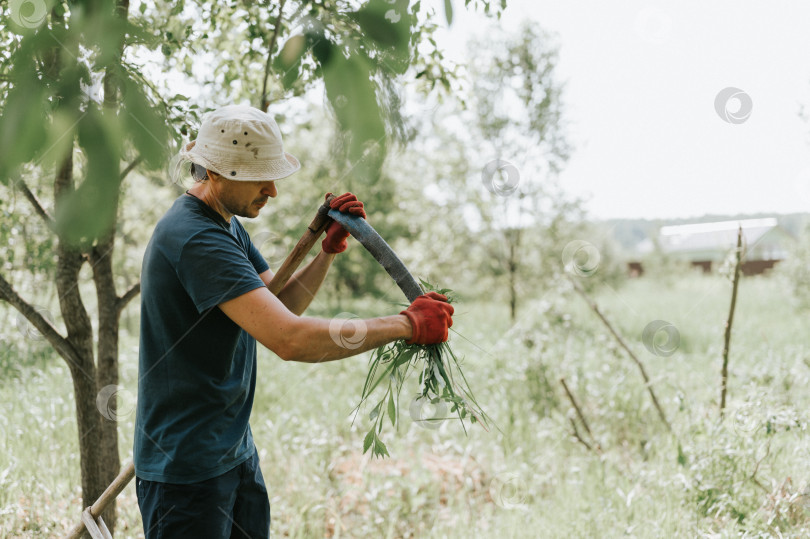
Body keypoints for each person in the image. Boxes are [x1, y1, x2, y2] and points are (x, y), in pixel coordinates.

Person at [133, 104, 454, 538]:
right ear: (214, 172)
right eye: (258, 176)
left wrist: (326, 251)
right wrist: (407, 325)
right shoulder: (195, 238)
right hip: (187, 471)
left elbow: (280, 302)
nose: (272, 190)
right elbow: (290, 339)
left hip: (231, 450)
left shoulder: (225, 224)